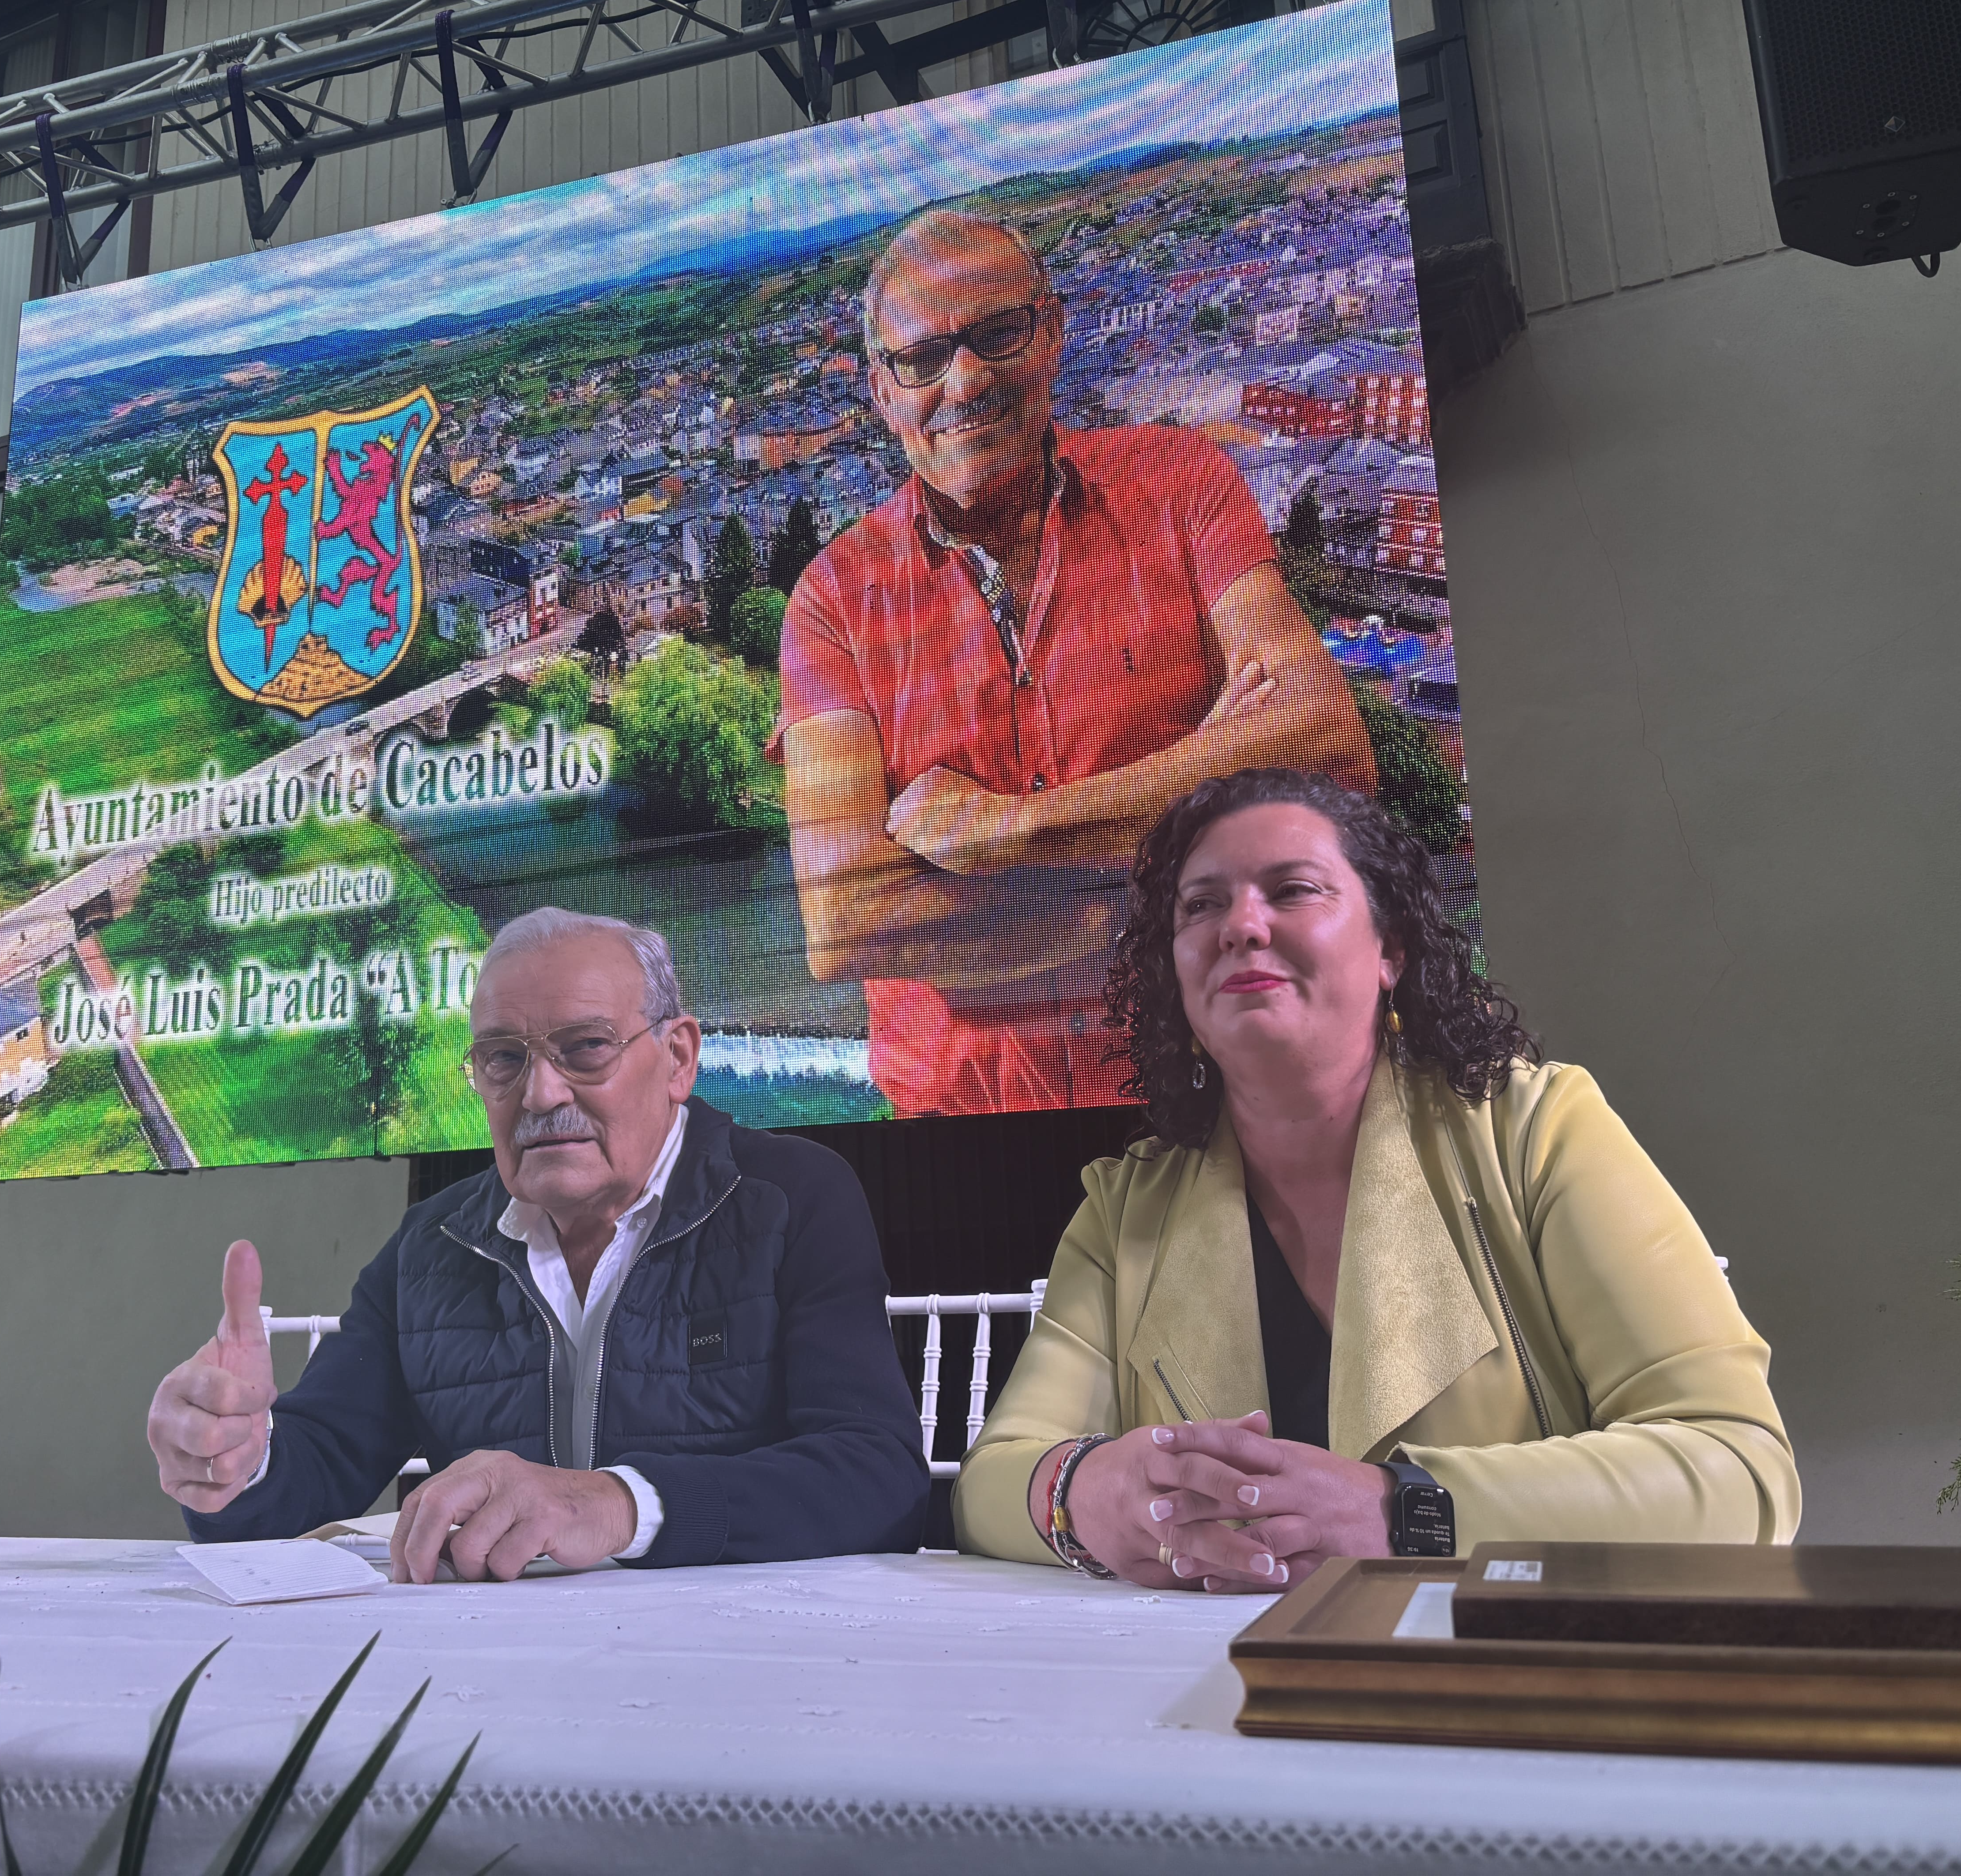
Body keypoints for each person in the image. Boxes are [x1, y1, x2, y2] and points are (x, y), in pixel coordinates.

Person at [953, 769, 1799, 1589]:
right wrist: (1084, 1492)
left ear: (1390, 948)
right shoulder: (1125, 1205)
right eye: (1201, 905)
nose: (1240, 927)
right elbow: (990, 1487)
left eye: (1293, 891)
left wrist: (1405, 1511)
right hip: (1208, 1696)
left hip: (1504, 1686)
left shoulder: (1539, 1130)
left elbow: (1737, 1467)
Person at [773, 209, 1376, 1119]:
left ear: (1053, 333)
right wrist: (1154, 892)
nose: (966, 380)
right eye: (923, 358)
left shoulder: (1180, 485)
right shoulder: (832, 603)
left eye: (998, 334)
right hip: (969, 1157)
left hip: (1218, 1104)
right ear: (883, 393)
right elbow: (846, 922)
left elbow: (1329, 750)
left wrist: (1008, 835)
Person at [147, 906, 930, 1579]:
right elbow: (316, 1471)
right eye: (504, 1058)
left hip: (738, 1673)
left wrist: (617, 1504)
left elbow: (878, 1478)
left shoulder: (791, 1199)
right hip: (493, 1679)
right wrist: (238, 1462)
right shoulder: (434, 1242)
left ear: (678, 1058)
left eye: (585, 1047)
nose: (541, 1092)